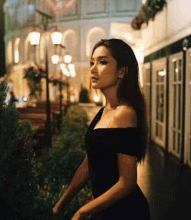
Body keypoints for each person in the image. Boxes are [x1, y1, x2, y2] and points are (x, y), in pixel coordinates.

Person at [53, 38, 150, 220]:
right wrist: (60, 204)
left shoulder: (125, 113)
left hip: (126, 212)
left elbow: (127, 183)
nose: (93, 68)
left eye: (103, 62)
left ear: (122, 71)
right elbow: (89, 164)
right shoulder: (103, 111)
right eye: (92, 62)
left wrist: (83, 210)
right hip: (104, 208)